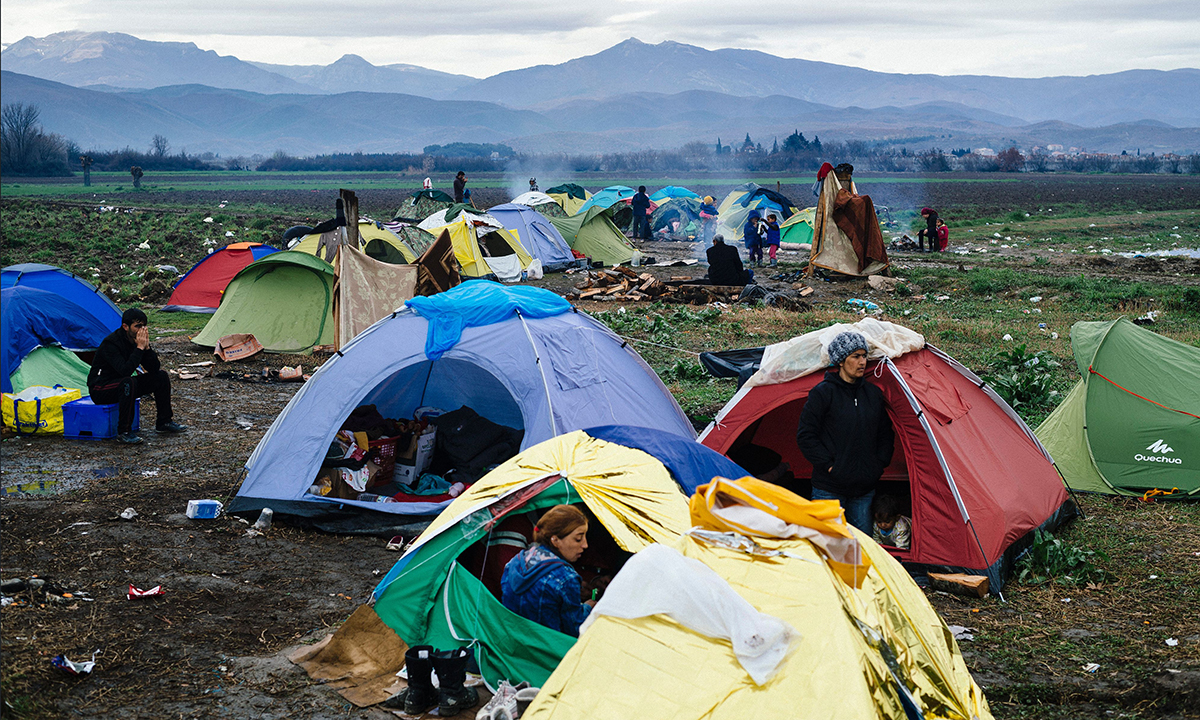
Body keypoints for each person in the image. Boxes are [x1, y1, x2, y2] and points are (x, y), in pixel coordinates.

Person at [796, 331, 894, 534]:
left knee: (862, 545)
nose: (862, 362)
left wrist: (877, 465)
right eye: (855, 356)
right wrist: (830, 466)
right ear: (841, 361)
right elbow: (806, 435)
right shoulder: (823, 393)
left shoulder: (873, 394)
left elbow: (885, 433)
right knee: (829, 544)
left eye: (864, 356)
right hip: (828, 488)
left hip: (863, 489)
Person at [88, 308, 187, 444]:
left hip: (122, 383)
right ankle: (124, 432)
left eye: (144, 326)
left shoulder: (137, 340)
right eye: (137, 326)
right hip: (100, 388)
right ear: (125, 327)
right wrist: (139, 349)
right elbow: (125, 371)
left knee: (161, 376)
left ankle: (164, 422)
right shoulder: (111, 344)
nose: (141, 330)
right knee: (128, 382)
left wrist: (146, 349)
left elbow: (153, 368)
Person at [501, 505, 596, 637]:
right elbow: (575, 628)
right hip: (547, 653)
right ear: (555, 540)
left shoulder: (515, 562)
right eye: (578, 538)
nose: (585, 545)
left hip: (511, 646)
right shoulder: (566, 578)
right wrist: (588, 608)